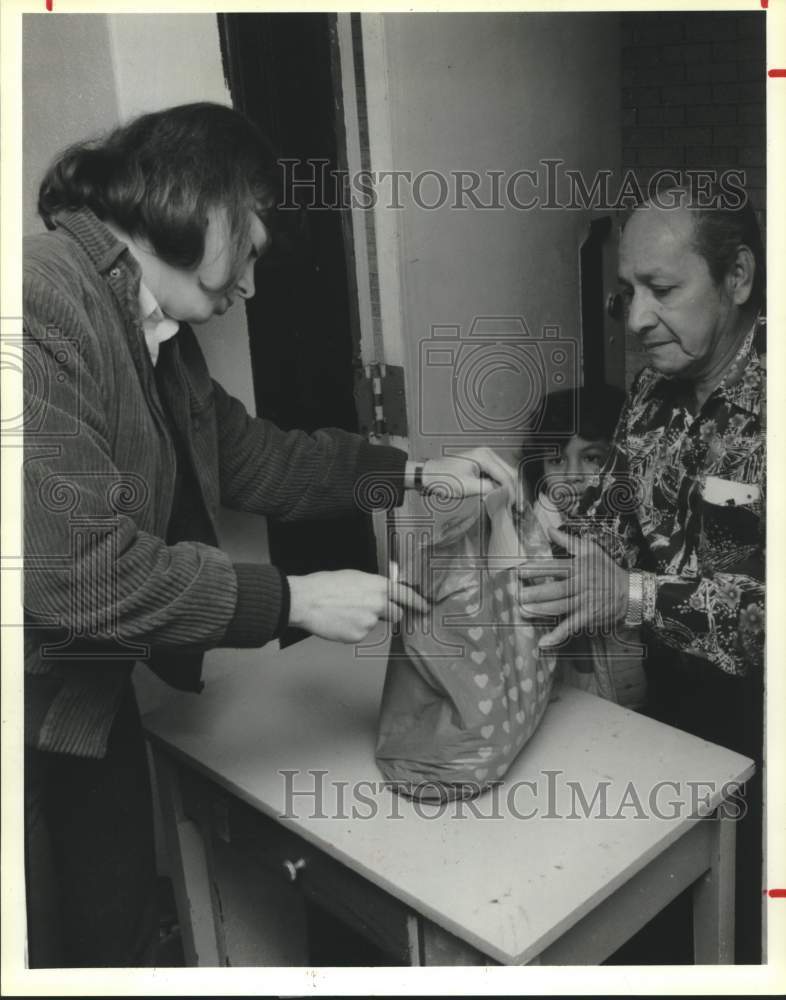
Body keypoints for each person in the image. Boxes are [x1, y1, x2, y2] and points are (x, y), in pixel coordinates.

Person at [22, 102, 518, 968]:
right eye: (248, 249)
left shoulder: (154, 331)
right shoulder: (41, 300)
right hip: (25, 714)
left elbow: (256, 459)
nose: (249, 286)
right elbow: (79, 576)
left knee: (117, 944)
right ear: (198, 198)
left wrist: (411, 473)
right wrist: (295, 600)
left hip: (82, 704)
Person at [518, 186, 765, 962]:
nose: (634, 320)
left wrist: (626, 593)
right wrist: (545, 548)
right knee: (654, 924)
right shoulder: (653, 393)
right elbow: (616, 524)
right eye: (628, 293)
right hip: (662, 714)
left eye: (663, 290)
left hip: (766, 735)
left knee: (749, 929)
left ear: (740, 277)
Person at [520, 384, 647, 707]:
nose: (572, 476)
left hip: (641, 691)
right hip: (572, 692)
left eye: (591, 458)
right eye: (556, 459)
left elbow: (649, 611)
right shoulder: (533, 534)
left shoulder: (647, 527)